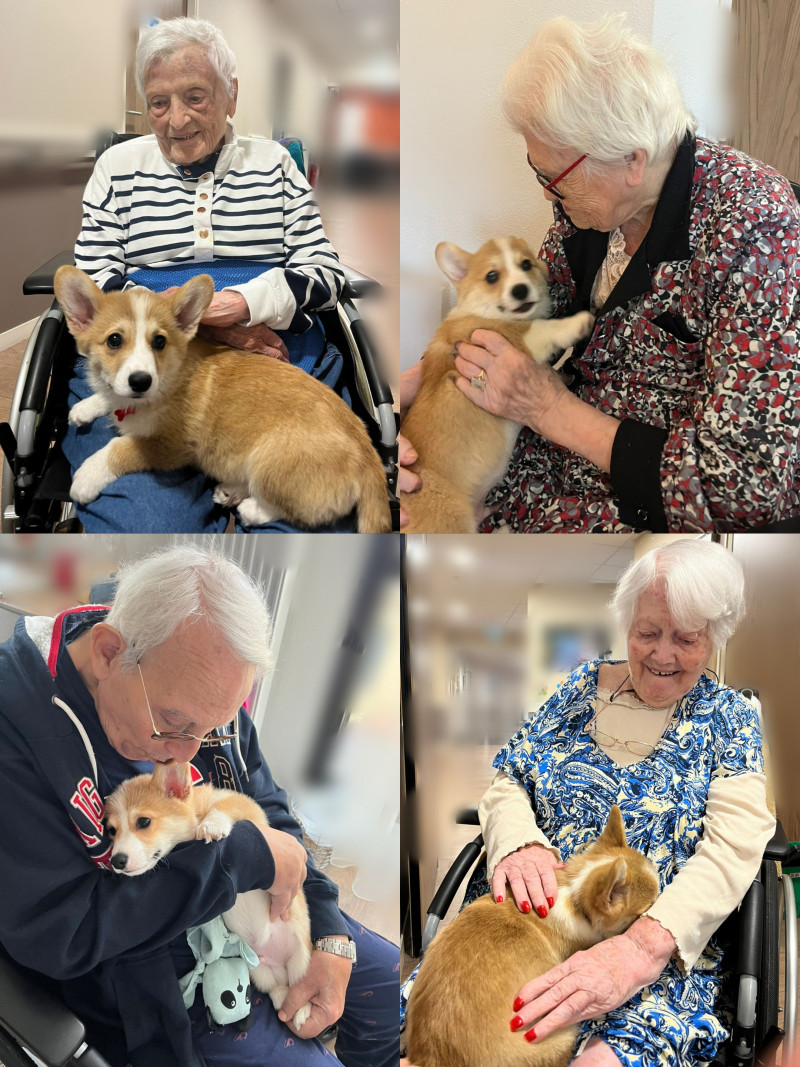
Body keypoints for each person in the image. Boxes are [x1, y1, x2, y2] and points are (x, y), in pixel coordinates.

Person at [399, 14, 800, 532]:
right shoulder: (590, 211)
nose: (546, 193)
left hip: (628, 512)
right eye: (536, 171)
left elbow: (748, 483)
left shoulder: (756, 226)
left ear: (631, 161)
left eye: (552, 176)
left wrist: (548, 409)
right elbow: (519, 317)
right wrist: (418, 386)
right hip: (521, 471)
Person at [0, 546, 398, 1067]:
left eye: (210, 731)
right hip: (148, 976)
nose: (188, 755)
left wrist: (328, 927)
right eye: (175, 724)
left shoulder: (199, 688)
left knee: (388, 979)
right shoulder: (19, 732)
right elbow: (62, 937)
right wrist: (241, 858)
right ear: (106, 653)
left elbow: (269, 807)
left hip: (251, 910)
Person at [400, 538, 776, 1066]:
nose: (662, 654)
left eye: (686, 639)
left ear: (714, 637)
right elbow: (509, 778)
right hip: (516, 933)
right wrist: (518, 841)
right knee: (430, 1040)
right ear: (627, 624)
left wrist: (641, 949)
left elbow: (734, 847)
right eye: (647, 632)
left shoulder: (730, 719)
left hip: (651, 962)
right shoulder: (578, 688)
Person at [63, 17, 349, 533]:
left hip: (274, 364)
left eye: (195, 97)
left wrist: (239, 304)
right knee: (149, 526)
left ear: (231, 95)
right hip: (141, 365)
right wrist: (189, 323)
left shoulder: (277, 165)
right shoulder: (116, 167)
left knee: (311, 512)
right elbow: (96, 271)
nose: (175, 120)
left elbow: (325, 273)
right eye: (158, 102)